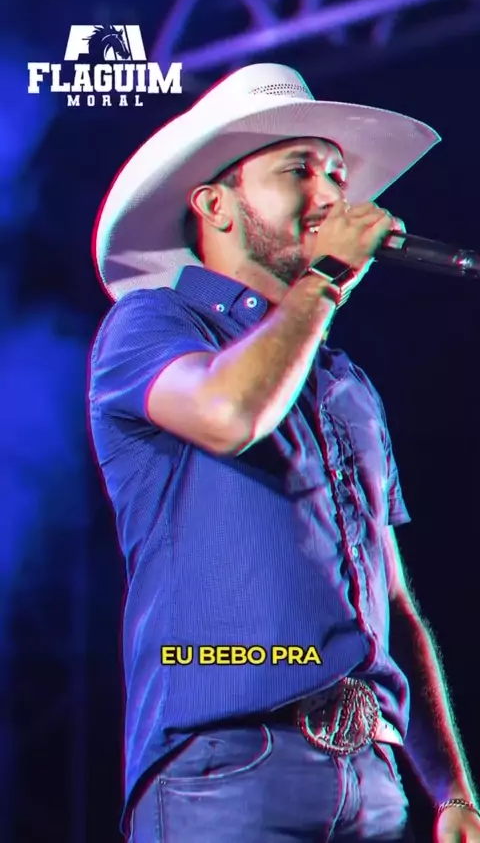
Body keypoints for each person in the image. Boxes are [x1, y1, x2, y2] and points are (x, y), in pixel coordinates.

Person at [88, 63, 480, 843]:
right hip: (227, 772)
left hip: (373, 776)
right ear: (215, 205)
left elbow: (391, 601)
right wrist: (326, 276)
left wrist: (452, 790)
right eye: (298, 170)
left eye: (336, 173)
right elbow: (230, 412)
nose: (331, 195)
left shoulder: (345, 385)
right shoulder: (153, 326)